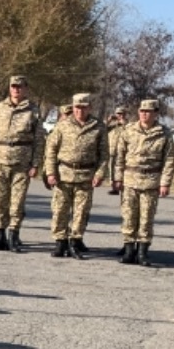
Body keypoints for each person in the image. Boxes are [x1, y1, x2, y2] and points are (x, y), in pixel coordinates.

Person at [0, 74, 43, 251]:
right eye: (13, 87)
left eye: (20, 87)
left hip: (22, 163)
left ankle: (14, 235)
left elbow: (39, 141)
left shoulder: (33, 110)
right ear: (9, 88)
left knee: (17, 202)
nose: (16, 90)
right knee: (0, 200)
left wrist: (35, 164)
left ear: (25, 88)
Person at [111, 98, 174, 266]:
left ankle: (143, 252)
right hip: (130, 179)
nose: (144, 114)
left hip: (151, 180)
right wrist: (117, 178)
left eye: (148, 111)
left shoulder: (164, 133)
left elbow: (169, 160)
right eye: (142, 111)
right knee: (129, 216)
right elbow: (119, 157)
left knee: (146, 218)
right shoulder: (128, 130)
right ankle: (128, 250)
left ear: (155, 114)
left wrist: (165, 183)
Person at [42, 93, 108, 259]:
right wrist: (50, 172)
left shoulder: (98, 127)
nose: (80, 110)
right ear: (73, 107)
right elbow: (51, 150)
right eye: (77, 107)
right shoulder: (62, 125)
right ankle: (60, 242)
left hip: (86, 175)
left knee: (81, 212)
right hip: (63, 174)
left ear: (89, 108)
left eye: (84, 107)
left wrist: (100, 173)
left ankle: (74, 242)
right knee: (60, 210)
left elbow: (104, 155)